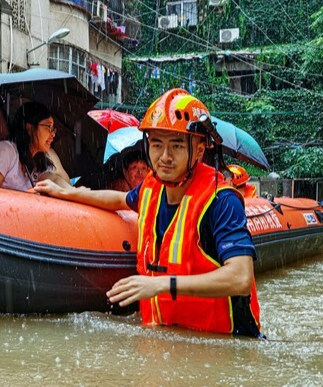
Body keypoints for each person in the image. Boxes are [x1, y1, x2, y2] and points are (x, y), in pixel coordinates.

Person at [36, 88, 262, 337]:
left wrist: (161, 284)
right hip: (168, 341)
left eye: (176, 145)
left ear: (199, 150)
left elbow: (240, 277)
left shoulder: (222, 201)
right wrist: (68, 193)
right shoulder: (152, 188)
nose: (164, 157)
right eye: (156, 144)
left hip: (224, 345)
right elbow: (121, 200)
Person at [0, 102, 72, 191]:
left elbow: (53, 179)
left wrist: (75, 192)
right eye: (48, 127)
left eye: (53, 129)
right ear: (30, 129)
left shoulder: (39, 160)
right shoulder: (5, 151)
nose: (53, 134)